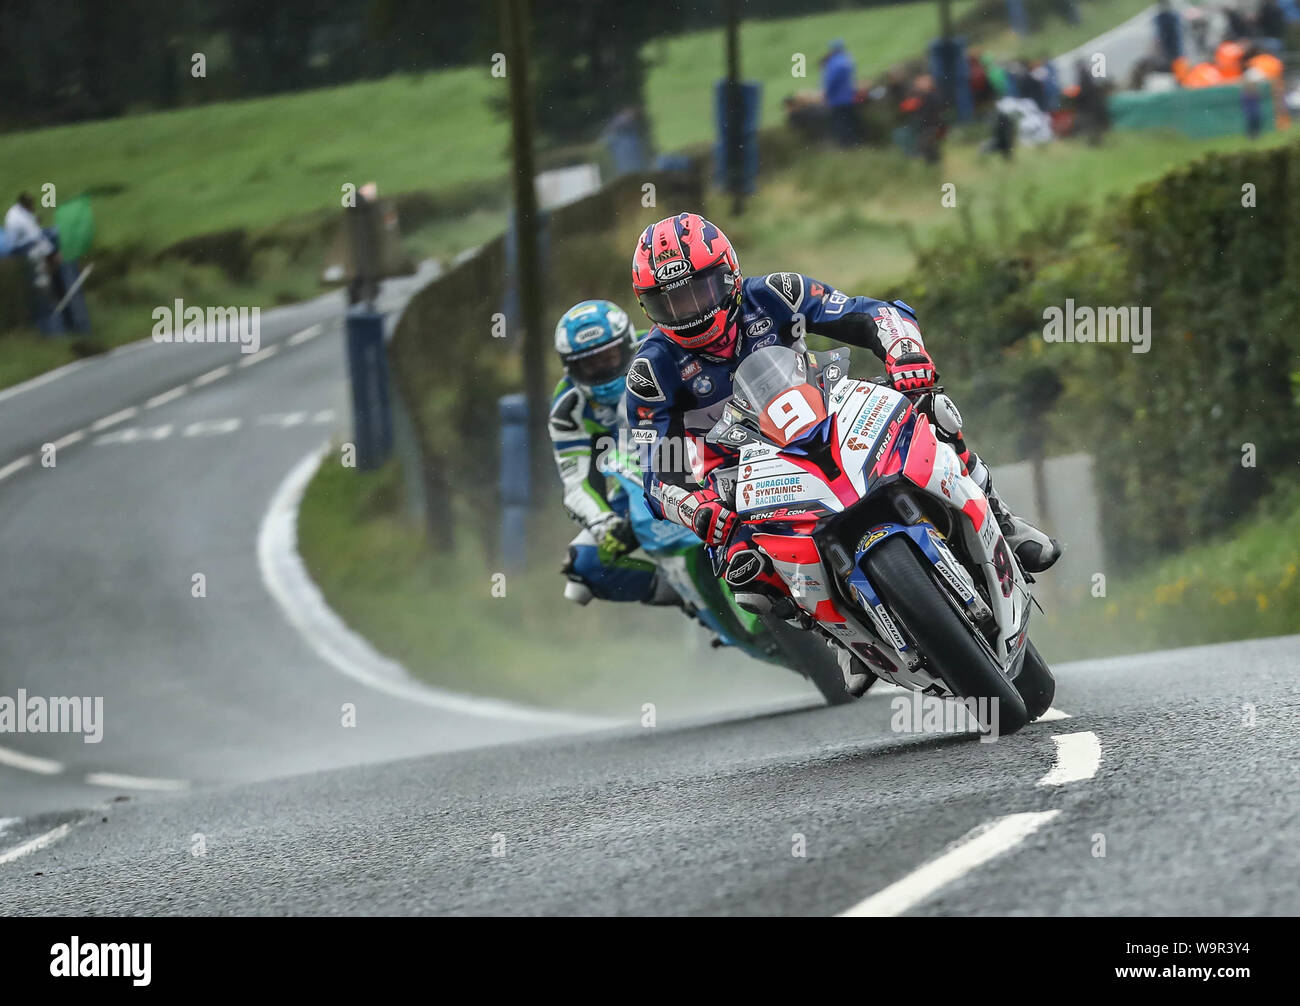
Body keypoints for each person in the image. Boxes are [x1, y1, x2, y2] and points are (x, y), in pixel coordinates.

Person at [625, 212, 1061, 614]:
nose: (691, 313)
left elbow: (868, 313)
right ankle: (837, 633)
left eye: (699, 291)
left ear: (729, 274)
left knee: (934, 410)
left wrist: (903, 351)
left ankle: (1001, 519)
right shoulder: (651, 371)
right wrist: (697, 508)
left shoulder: (778, 293)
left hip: (825, 413)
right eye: (672, 304)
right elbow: (655, 471)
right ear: (649, 308)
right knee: (749, 578)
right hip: (736, 473)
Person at [550, 299, 680, 608]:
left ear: (627, 345)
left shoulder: (666, 347)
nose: (604, 369)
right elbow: (576, 482)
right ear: (571, 368)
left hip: (696, 459)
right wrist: (604, 523)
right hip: (633, 487)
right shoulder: (567, 410)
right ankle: (683, 595)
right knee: (582, 572)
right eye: (590, 364)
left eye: (610, 356)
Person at [821, 39, 859, 147]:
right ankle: (854, 144)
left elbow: (830, 81)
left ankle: (845, 147)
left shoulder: (833, 63)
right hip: (849, 97)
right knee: (850, 123)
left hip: (836, 99)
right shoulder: (848, 60)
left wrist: (826, 94)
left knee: (840, 124)